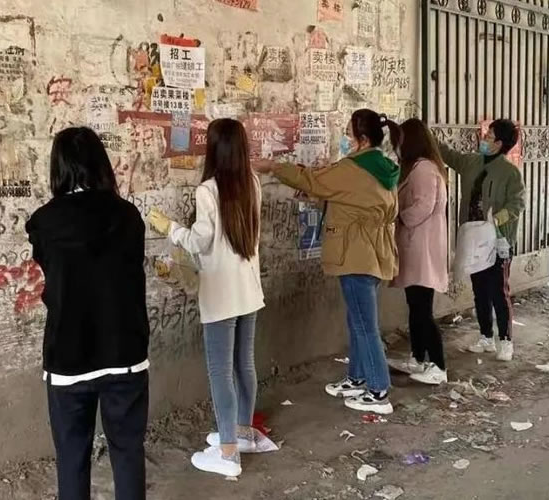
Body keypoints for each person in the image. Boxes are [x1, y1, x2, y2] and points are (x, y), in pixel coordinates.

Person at [26, 127, 150, 500]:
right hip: (125, 354)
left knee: (72, 459)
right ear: (101, 163)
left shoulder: (44, 222)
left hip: (68, 357)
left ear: (59, 167)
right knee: (128, 453)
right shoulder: (128, 215)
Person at [254, 109, 400, 414]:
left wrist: (273, 167)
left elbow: (312, 179)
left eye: (348, 133)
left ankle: (378, 390)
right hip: (373, 252)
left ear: (362, 139)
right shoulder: (383, 166)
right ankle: (357, 378)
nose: (344, 139)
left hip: (356, 254)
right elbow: (352, 201)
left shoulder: (355, 168)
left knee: (365, 326)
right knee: (358, 321)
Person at [148, 118, 265, 478]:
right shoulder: (253, 183)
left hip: (221, 294)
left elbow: (199, 242)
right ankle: (243, 433)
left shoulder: (208, 191)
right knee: (243, 364)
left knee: (220, 372)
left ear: (214, 149)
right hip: (248, 291)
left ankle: (228, 453)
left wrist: (171, 229)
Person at [438, 119, 525, 362]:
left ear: (499, 143)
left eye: (489, 136)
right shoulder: (471, 162)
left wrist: (498, 218)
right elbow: (449, 155)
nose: (484, 139)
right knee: (479, 290)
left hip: (497, 241)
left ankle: (505, 340)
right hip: (472, 237)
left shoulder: (509, 172)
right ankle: (486, 337)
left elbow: (518, 203)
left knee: (498, 291)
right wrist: (427, 137)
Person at [387, 119, 449, 385]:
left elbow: (423, 206)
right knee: (415, 306)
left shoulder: (424, 169)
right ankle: (418, 357)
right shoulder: (419, 167)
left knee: (422, 309)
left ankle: (438, 365)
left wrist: (399, 216)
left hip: (422, 247)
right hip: (417, 245)